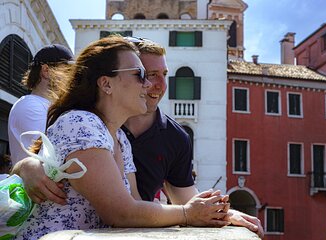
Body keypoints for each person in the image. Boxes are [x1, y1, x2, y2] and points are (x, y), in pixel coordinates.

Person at [12, 37, 263, 238]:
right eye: (141, 74)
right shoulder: (81, 123)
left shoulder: (120, 137)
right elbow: (121, 212)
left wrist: (218, 213)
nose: (152, 85)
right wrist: (188, 214)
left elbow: (135, 204)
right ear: (106, 84)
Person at [8, 44, 74, 164]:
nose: (71, 78)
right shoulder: (30, 106)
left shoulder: (44, 105)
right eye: (67, 71)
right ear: (46, 71)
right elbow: (49, 158)